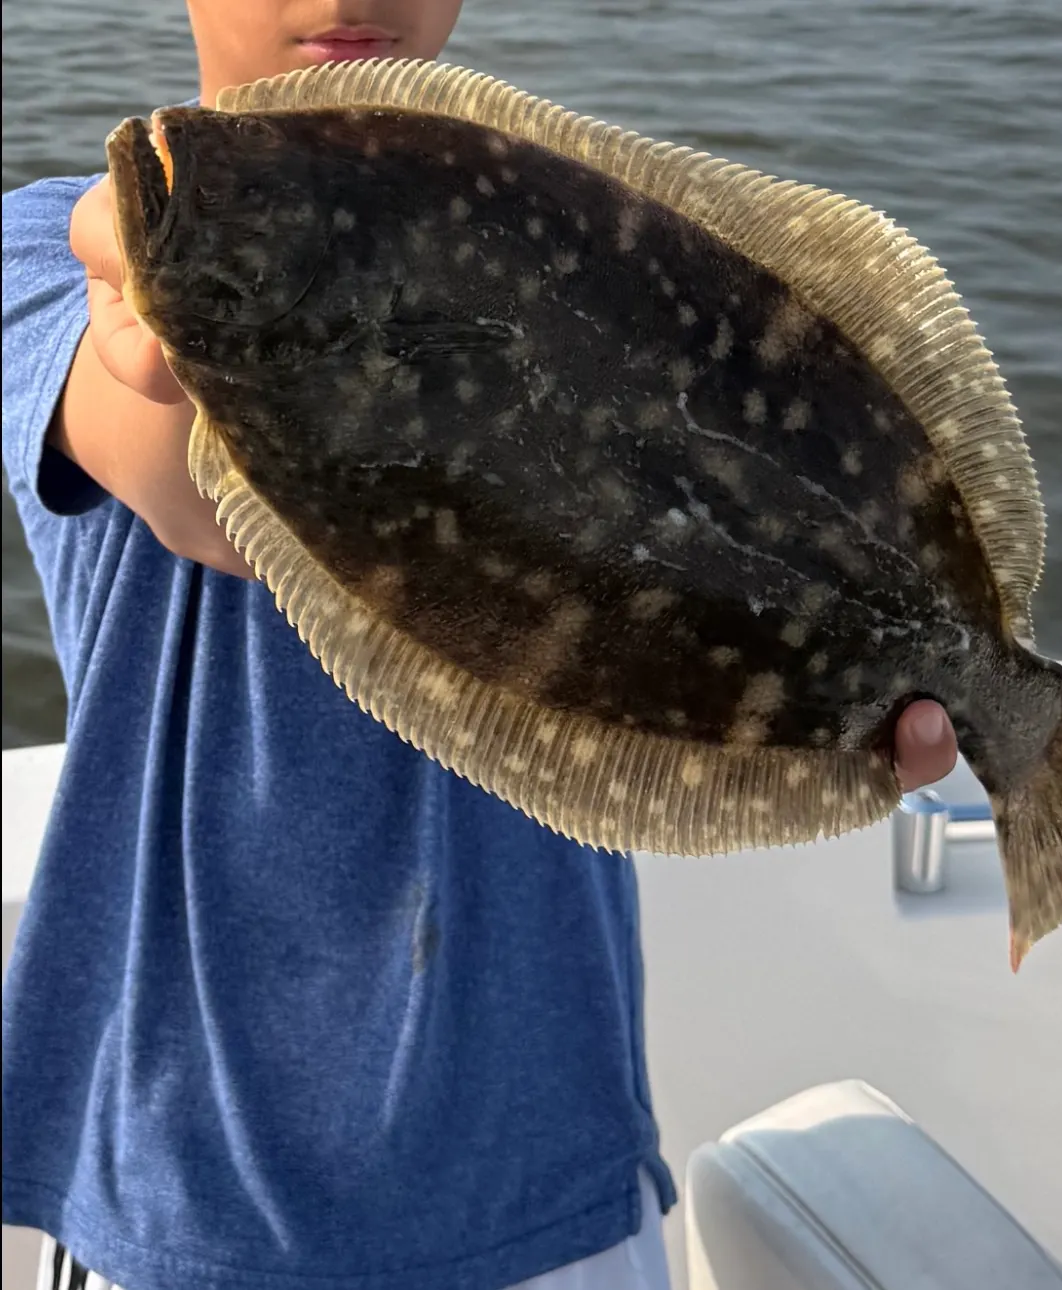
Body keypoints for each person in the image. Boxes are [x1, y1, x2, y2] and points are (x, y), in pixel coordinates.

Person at [0, 4, 961, 1288]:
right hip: (188, 1205)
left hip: (557, 1186)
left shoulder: (585, 239)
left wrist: (888, 660)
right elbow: (199, 493)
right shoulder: (38, 258)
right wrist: (179, 274)